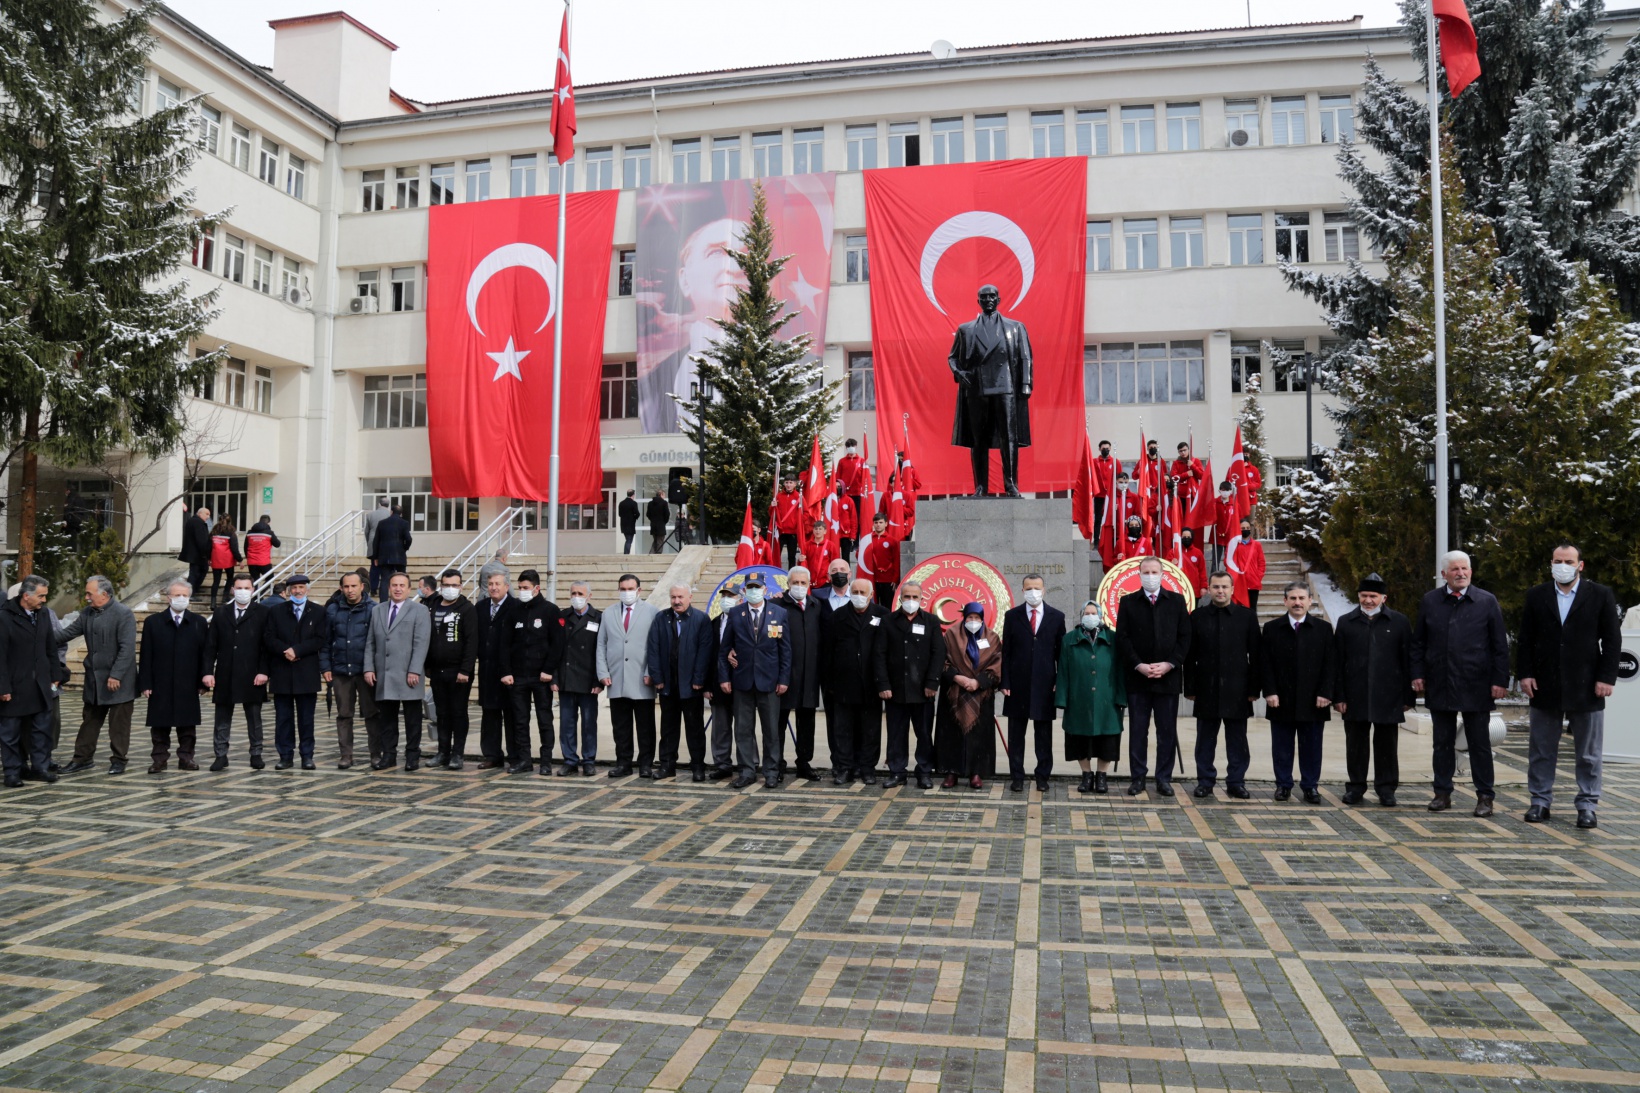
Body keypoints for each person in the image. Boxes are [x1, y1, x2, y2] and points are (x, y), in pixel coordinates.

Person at [1516, 542, 1623, 829]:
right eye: (1556, 560)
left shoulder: (1600, 595)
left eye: (1568, 561)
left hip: (1587, 685)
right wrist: (1524, 674)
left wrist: (1606, 677)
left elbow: (1612, 640)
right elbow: (1525, 638)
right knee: (1541, 748)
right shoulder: (1537, 595)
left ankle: (1587, 804)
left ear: (1580, 565)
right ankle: (1540, 801)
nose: (1562, 565)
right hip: (1544, 685)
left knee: (1588, 752)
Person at [1411, 550, 1510, 817]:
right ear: (1444, 574)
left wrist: (1500, 680)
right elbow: (1419, 642)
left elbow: (1500, 645)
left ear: (1471, 572)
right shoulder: (1430, 601)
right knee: (1441, 743)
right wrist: (1417, 673)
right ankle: (1442, 793)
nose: (1461, 573)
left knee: (1479, 743)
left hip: (1476, 684)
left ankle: (1485, 797)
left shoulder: (1486, 601)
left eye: (1464, 568)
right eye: (1454, 569)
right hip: (1440, 682)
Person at [1332, 573, 1414, 806]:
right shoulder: (1346, 622)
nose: (1368, 600)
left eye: (1373, 596)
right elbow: (1338, 662)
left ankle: (1386, 789)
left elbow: (1407, 660)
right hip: (1354, 694)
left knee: (1387, 744)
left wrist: (1408, 696)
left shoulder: (1399, 622)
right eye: (1364, 595)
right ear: (1358, 596)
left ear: (1384, 597)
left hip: (1389, 694)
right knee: (1355, 744)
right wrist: (1339, 695)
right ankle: (1356, 787)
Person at [1116, 557, 1192, 797]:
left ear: (1162, 573)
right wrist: (1138, 664)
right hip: (1138, 679)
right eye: (1146, 572)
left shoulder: (1177, 601)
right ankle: (1138, 777)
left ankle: (1163, 778)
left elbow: (1184, 638)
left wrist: (1170, 664)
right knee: (1138, 730)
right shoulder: (1128, 602)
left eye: (1154, 571)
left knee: (1166, 731)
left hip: (1167, 679)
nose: (1150, 576)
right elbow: (1123, 638)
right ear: (1139, 574)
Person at [948, 283, 1033, 497]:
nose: (988, 300)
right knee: (979, 439)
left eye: (992, 296)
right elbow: (952, 358)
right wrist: (961, 374)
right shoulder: (966, 329)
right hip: (977, 388)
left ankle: (1011, 484)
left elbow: (1025, 357)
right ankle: (980, 487)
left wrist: (1025, 383)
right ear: (978, 301)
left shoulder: (1015, 327)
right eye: (983, 297)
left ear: (999, 299)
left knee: (1009, 436)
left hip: (1006, 387)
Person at [1183, 572, 1261, 800]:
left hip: (1238, 689)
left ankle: (1236, 782)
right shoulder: (1197, 617)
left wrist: (1254, 689)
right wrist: (1190, 688)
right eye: (1216, 586)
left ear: (1232, 589)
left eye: (1225, 587)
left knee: (1237, 740)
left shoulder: (1246, 616)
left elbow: (1256, 655)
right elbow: (1189, 656)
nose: (1220, 591)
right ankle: (1205, 781)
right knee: (1205, 740)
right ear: (1208, 588)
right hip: (1206, 688)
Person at [56, 575, 137, 776]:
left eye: (89, 593)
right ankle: (82, 759)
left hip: (119, 681)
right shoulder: (87, 613)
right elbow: (67, 634)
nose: (86, 597)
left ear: (104, 594)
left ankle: (119, 760)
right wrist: (38, 635)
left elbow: (127, 649)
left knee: (119, 725)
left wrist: (116, 675)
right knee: (89, 721)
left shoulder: (123, 614)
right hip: (94, 679)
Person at [1262, 581, 1335, 803]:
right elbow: (1265, 663)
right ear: (1285, 601)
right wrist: (1270, 691)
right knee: (1282, 747)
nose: (1297, 602)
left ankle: (1310, 786)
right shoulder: (1272, 628)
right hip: (1281, 699)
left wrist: (1326, 692)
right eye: (1292, 598)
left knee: (1312, 747)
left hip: (1314, 700)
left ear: (1310, 601)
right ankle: (1283, 785)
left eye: (1302, 598)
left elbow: (1330, 664)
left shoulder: (1322, 629)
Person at [717, 574, 790, 788]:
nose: (753, 591)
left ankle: (770, 772)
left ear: (765, 589)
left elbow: (785, 651)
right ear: (744, 590)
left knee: (771, 731)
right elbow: (724, 650)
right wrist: (724, 677)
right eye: (750, 587)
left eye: (757, 587)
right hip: (742, 681)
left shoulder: (779, 612)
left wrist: (784, 679)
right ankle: (747, 771)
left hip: (770, 682)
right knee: (743, 730)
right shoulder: (736, 613)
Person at [875, 579, 946, 789]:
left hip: (923, 689)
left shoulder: (931, 621)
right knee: (896, 733)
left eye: (915, 597)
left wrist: (933, 682)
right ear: (901, 598)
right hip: (895, 689)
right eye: (907, 597)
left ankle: (924, 772)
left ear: (921, 599)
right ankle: (897, 771)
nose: (911, 600)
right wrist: (883, 684)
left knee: (924, 733)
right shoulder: (888, 621)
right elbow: (879, 654)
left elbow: (938, 653)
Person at [137, 579, 210, 774]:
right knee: (160, 724)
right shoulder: (154, 622)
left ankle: (186, 758)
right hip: (161, 681)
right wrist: (145, 682)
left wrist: (204, 680)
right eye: (177, 595)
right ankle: (159, 759)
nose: (181, 599)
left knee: (187, 724)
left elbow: (205, 654)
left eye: (185, 595)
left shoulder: (198, 622)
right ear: (168, 597)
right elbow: (146, 655)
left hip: (188, 681)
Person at [1000, 574, 1064, 793]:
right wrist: (1005, 681)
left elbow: (1061, 655)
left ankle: (1042, 776)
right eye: (1028, 588)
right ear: (1022, 590)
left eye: (1037, 588)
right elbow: (1006, 652)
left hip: (1045, 686)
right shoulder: (1012, 616)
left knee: (1043, 735)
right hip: (1016, 685)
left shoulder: (1057, 617)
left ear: (1044, 590)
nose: (1033, 592)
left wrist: (1059, 682)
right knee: (1016, 735)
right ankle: (1017, 776)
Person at [823, 578, 888, 785]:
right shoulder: (837, 617)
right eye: (855, 591)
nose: (859, 595)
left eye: (863, 592)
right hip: (843, 685)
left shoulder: (883, 615)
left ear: (871, 595)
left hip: (871, 685)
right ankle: (844, 768)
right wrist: (830, 683)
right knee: (843, 730)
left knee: (870, 729)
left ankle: (867, 768)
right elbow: (828, 652)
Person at [1057, 602, 1126, 793]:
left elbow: (1121, 670)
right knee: (1079, 738)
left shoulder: (1113, 638)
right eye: (1086, 613)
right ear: (1081, 616)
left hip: (1108, 698)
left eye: (1093, 613)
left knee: (1107, 738)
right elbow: (1062, 670)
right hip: (1078, 698)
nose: (1089, 616)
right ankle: (1086, 775)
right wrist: (1062, 699)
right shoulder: (1069, 639)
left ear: (1100, 615)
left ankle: (1102, 777)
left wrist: (1122, 697)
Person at [202, 575, 270, 771]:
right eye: (239, 587)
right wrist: (208, 672)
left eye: (246, 587)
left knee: (254, 718)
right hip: (225, 672)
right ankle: (220, 754)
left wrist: (264, 671)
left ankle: (256, 753)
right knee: (222, 718)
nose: (242, 591)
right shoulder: (221, 613)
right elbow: (211, 645)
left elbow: (267, 646)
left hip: (252, 673)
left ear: (253, 589)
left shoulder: (263, 612)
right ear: (232, 589)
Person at [364, 572, 431, 771]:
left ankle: (412, 756)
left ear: (409, 589)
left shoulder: (419, 610)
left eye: (402, 585)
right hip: (385, 674)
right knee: (387, 720)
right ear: (388, 588)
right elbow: (371, 642)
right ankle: (389, 755)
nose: (398, 589)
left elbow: (421, 643)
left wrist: (415, 670)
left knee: (412, 719)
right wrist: (368, 667)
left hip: (409, 674)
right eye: (394, 585)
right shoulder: (378, 610)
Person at [646, 582, 712, 780]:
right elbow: (653, 648)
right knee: (668, 729)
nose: (677, 601)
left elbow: (704, 651)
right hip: (667, 685)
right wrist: (657, 677)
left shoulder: (701, 619)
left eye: (680, 597)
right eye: (673, 597)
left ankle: (698, 767)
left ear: (690, 598)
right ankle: (667, 766)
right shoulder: (661, 618)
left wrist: (699, 679)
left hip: (691, 686)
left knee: (695, 729)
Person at [597, 573, 659, 777]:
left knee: (645, 726)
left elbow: (655, 646)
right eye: (622, 589)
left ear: (639, 590)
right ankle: (623, 762)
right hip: (616, 678)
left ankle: (645, 763)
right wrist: (603, 672)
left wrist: (651, 672)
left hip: (642, 678)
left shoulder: (651, 612)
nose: (626, 593)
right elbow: (601, 644)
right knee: (620, 726)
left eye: (630, 589)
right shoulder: (609, 613)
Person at [503, 569, 563, 775]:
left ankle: (546, 761)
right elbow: (504, 644)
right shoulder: (513, 611)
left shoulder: (551, 611)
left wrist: (548, 670)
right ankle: (524, 760)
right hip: (518, 677)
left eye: (525, 588)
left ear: (537, 588)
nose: (522, 591)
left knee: (544, 720)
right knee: (520, 720)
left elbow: (557, 645)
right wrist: (506, 671)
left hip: (541, 677)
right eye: (519, 588)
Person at [0, 576, 59, 786]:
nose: (44, 599)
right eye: (41, 595)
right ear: (26, 596)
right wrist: (3, 686)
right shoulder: (5, 617)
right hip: (15, 686)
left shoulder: (42, 614)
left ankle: (40, 767)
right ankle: (13, 772)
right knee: (10, 733)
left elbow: (50, 647)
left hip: (40, 684)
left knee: (42, 730)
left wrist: (55, 675)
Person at [262, 574, 324, 770]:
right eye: (294, 588)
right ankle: (285, 756)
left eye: (301, 587)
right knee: (283, 719)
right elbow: (269, 637)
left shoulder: (318, 612)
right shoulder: (276, 611)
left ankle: (307, 755)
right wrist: (285, 651)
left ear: (308, 589)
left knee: (307, 719)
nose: (298, 591)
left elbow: (320, 639)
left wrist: (297, 650)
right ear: (288, 591)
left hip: (306, 672)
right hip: (282, 671)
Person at [936, 602, 1000, 789]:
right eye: (969, 618)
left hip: (981, 694)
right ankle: (951, 772)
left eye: (977, 618)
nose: (973, 621)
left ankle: (976, 772)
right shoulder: (951, 635)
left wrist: (978, 682)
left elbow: (997, 663)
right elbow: (942, 660)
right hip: (954, 692)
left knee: (979, 735)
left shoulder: (992, 638)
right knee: (951, 734)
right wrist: (958, 678)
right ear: (964, 618)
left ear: (983, 619)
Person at [319, 571, 377, 770]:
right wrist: (326, 666)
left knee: (372, 714)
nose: (350, 590)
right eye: (346, 587)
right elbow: (325, 641)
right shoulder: (333, 610)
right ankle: (346, 755)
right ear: (341, 588)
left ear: (362, 586)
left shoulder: (373, 609)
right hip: (340, 671)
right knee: (344, 714)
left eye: (354, 586)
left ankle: (376, 754)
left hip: (366, 671)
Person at [775, 566, 825, 781]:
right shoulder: (776, 605)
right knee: (778, 722)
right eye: (795, 582)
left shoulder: (816, 606)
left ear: (809, 584)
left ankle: (804, 763)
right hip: (784, 676)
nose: (799, 586)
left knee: (806, 723)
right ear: (788, 584)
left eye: (803, 583)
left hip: (810, 676)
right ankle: (776, 764)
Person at [475, 570, 521, 770]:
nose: (493, 587)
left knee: (512, 715)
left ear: (506, 586)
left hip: (510, 671)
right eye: (491, 583)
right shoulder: (481, 607)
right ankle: (492, 755)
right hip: (487, 670)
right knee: (490, 715)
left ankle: (515, 755)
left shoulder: (516, 607)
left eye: (497, 584)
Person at [555, 581, 601, 776]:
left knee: (589, 723)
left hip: (589, 680)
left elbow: (601, 651)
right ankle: (570, 759)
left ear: (589, 596)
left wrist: (598, 681)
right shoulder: (563, 616)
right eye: (573, 593)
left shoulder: (598, 618)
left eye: (580, 593)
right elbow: (556, 649)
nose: (576, 596)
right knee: (567, 722)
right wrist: (555, 678)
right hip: (566, 678)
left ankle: (589, 759)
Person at [706, 585, 741, 780]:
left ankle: (748, 764)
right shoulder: (713, 623)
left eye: (731, 596)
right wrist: (706, 685)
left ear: (739, 598)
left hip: (741, 684)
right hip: (718, 683)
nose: (727, 599)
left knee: (744, 728)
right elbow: (707, 656)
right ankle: (722, 764)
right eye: (724, 596)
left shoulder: (745, 620)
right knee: (720, 728)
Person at [856, 512, 902, 608]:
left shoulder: (892, 541)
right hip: (871, 578)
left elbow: (896, 560)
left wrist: (895, 578)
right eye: (876, 522)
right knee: (872, 605)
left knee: (887, 605)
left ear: (886, 524)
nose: (878, 525)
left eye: (881, 522)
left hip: (887, 579)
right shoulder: (867, 539)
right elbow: (859, 556)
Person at [1228, 519, 1265, 613]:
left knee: (1252, 610)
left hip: (1253, 582)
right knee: (1237, 609)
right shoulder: (1233, 545)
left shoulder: (1257, 545)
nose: (1245, 530)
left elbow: (1261, 562)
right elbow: (1228, 561)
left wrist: (1258, 576)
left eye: (1247, 528)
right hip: (1238, 582)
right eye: (1243, 528)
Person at [374, 505, 413, 588]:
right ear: (401, 514)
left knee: (384, 580)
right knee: (402, 578)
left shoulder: (382, 523)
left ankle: (383, 600)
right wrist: (405, 548)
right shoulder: (404, 523)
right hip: (399, 555)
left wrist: (376, 557)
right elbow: (408, 539)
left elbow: (376, 541)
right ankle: (403, 599)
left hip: (384, 556)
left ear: (391, 512)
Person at [208, 514, 241, 606]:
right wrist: (240, 559)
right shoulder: (231, 532)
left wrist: (208, 558)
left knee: (216, 581)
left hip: (216, 558)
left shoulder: (214, 531)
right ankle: (225, 597)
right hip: (228, 559)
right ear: (230, 521)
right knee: (230, 578)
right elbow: (234, 548)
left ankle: (213, 602)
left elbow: (208, 546)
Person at [179, 507, 212, 593]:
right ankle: (191, 592)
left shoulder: (193, 521)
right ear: (200, 513)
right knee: (195, 573)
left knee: (201, 570)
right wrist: (206, 554)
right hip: (198, 554)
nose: (208, 517)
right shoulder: (198, 523)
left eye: (209, 515)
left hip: (195, 553)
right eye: (207, 514)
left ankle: (194, 589)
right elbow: (201, 540)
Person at [363, 498, 392, 596]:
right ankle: (384, 588)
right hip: (386, 543)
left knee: (374, 567)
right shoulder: (390, 515)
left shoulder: (370, 515)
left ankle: (373, 588)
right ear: (388, 505)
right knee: (386, 568)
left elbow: (366, 531)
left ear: (379, 504)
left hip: (372, 542)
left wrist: (369, 543)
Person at [1091, 440, 1117, 542]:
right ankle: (1096, 541)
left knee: (1111, 519)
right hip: (1099, 495)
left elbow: (1118, 478)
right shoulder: (1094, 462)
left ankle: (1111, 540)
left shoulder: (1115, 462)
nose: (1105, 450)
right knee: (1098, 519)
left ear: (1110, 449)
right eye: (1103, 449)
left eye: (1107, 448)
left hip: (1111, 496)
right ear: (1099, 449)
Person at [245, 514, 280, 587]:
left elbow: (245, 547)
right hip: (264, 561)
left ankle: (256, 598)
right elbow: (277, 544)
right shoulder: (269, 533)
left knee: (255, 581)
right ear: (268, 522)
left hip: (251, 562)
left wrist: (248, 557)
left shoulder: (249, 533)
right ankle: (260, 594)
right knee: (270, 579)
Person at [835, 438, 866, 519]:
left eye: (852, 446)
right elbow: (838, 477)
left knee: (858, 514)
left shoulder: (862, 461)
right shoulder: (842, 461)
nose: (851, 447)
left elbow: (865, 477)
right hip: (845, 493)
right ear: (846, 448)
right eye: (848, 446)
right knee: (845, 514)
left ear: (856, 447)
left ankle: (858, 531)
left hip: (858, 493)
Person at [828, 483, 858, 564]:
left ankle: (846, 575)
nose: (837, 488)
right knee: (833, 557)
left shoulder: (849, 500)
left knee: (845, 557)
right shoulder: (830, 500)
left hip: (846, 534)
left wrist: (853, 535)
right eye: (835, 486)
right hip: (833, 533)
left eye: (839, 486)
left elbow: (853, 519)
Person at [1212, 482, 1237, 572]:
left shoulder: (1234, 503)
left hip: (1230, 535)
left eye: (1227, 490)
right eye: (1223, 490)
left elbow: (1239, 518)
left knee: (1229, 559)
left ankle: (1230, 577)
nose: (1225, 492)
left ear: (1230, 491)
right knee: (1215, 559)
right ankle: (1213, 577)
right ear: (1219, 490)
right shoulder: (1215, 502)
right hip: (1217, 534)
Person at [1179, 530, 1207, 599]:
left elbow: (1202, 571)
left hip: (1194, 590)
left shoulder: (1198, 552)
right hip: (1179, 589)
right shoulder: (1174, 552)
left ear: (1192, 538)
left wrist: (1203, 587)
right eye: (1184, 537)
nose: (1186, 538)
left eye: (1188, 537)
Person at [646, 489, 670, 555]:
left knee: (656, 540)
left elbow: (648, 514)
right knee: (660, 540)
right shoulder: (664, 503)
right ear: (661, 494)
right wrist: (664, 521)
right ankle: (658, 554)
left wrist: (653, 520)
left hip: (653, 525)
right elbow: (667, 514)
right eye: (664, 495)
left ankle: (651, 553)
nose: (664, 496)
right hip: (661, 525)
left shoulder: (650, 503)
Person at [618, 489, 641, 554]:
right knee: (629, 540)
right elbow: (637, 513)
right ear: (633, 495)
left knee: (628, 539)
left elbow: (620, 514)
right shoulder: (634, 503)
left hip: (623, 524)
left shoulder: (621, 503)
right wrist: (634, 517)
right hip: (631, 524)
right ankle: (626, 554)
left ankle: (626, 553)